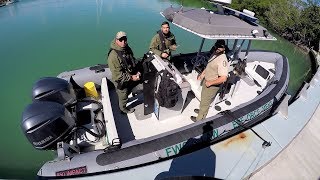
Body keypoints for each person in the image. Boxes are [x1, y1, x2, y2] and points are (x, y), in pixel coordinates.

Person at [191, 40, 229, 122]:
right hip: (207, 80)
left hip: (212, 85)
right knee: (204, 99)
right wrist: (202, 74)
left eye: (220, 46)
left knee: (205, 101)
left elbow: (223, 78)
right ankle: (202, 111)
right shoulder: (214, 53)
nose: (218, 48)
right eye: (217, 45)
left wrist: (210, 83)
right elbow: (208, 66)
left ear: (224, 48)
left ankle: (199, 119)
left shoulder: (223, 60)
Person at [108, 31, 141, 114]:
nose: (123, 42)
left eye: (125, 39)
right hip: (121, 80)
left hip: (129, 74)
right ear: (116, 40)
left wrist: (136, 71)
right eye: (121, 40)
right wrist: (131, 77)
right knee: (123, 95)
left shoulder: (126, 48)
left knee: (128, 90)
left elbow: (131, 59)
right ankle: (123, 109)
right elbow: (117, 75)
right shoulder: (113, 56)